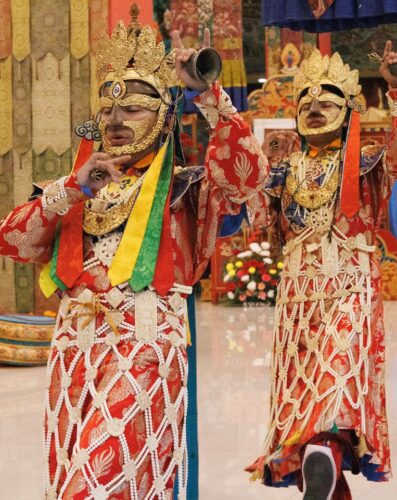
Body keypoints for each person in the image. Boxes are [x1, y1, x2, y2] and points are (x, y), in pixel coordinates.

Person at [0, 11, 267, 499]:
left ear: (164, 116)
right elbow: (13, 240)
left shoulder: (188, 189)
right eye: (108, 110)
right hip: (74, 352)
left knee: (94, 482)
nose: (116, 120)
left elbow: (248, 176)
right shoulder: (77, 190)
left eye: (134, 109)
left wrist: (208, 95)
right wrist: (71, 188)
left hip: (146, 350)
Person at [247, 42, 397, 499]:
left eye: (327, 102)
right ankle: (321, 467)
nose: (315, 108)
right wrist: (257, 169)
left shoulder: (366, 163)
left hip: (350, 286)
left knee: (339, 370)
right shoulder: (281, 171)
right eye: (306, 102)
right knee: (302, 388)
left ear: (348, 111)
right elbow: (256, 219)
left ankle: (324, 448)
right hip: (298, 297)